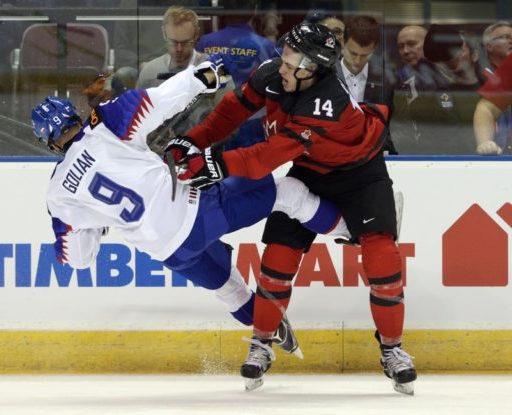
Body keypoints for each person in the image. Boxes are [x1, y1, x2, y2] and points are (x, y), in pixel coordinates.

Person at [32, 57, 350, 360]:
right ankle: (350, 231)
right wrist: (201, 78)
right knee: (286, 192)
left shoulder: (58, 194)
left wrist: (96, 227)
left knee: (230, 290)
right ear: (74, 115)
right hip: (196, 213)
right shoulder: (104, 123)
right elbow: (158, 101)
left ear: (49, 142)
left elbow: (78, 259)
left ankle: (272, 339)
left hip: (168, 251)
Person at [170, 22, 416, 394]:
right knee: (277, 259)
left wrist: (212, 162)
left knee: (383, 263)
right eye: (283, 58)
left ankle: (393, 350)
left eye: (289, 62)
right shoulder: (276, 73)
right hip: (312, 170)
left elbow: (264, 158)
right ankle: (261, 343)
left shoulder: (325, 101)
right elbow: (230, 113)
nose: (280, 66)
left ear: (313, 69)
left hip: (362, 175)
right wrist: (191, 142)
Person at [135, 6, 234, 137]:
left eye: (186, 42)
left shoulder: (217, 71)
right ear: (164, 33)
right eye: (173, 42)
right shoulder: (150, 72)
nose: (179, 49)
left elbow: (231, 122)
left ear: (197, 34)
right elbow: (136, 122)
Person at [195, 0, 276, 150]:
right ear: (254, 11)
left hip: (215, 118)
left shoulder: (206, 42)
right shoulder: (266, 46)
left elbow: (199, 82)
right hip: (251, 121)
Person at [392, 24, 482, 154]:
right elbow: (449, 131)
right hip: (442, 160)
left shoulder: (427, 77)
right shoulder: (432, 83)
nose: (405, 51)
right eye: (458, 49)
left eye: (412, 44)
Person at [335, 15, 397, 154]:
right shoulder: (325, 76)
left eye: (364, 55)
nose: (357, 61)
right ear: (342, 42)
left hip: (372, 156)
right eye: (353, 53)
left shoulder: (386, 80)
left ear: (374, 49)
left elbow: (388, 128)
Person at [475, 21, 512, 154]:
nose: (510, 42)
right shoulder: (477, 75)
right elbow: (487, 108)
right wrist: (486, 143)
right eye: (505, 37)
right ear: (488, 46)